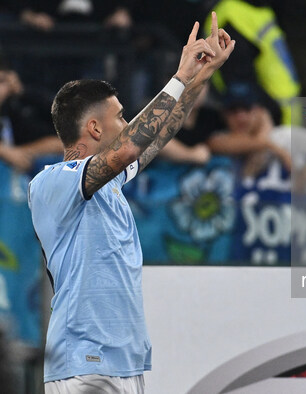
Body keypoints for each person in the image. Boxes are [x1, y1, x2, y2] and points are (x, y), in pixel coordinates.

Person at [28, 13, 234, 393]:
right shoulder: (52, 183)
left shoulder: (110, 184)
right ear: (93, 128)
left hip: (124, 361)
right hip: (83, 362)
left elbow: (160, 130)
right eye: (121, 116)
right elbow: (128, 148)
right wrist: (179, 78)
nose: (127, 124)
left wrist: (199, 74)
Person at [0, 61, 62, 172]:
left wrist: (21, 92)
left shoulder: (16, 109)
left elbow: (58, 143)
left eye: (2, 82)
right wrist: (5, 152)